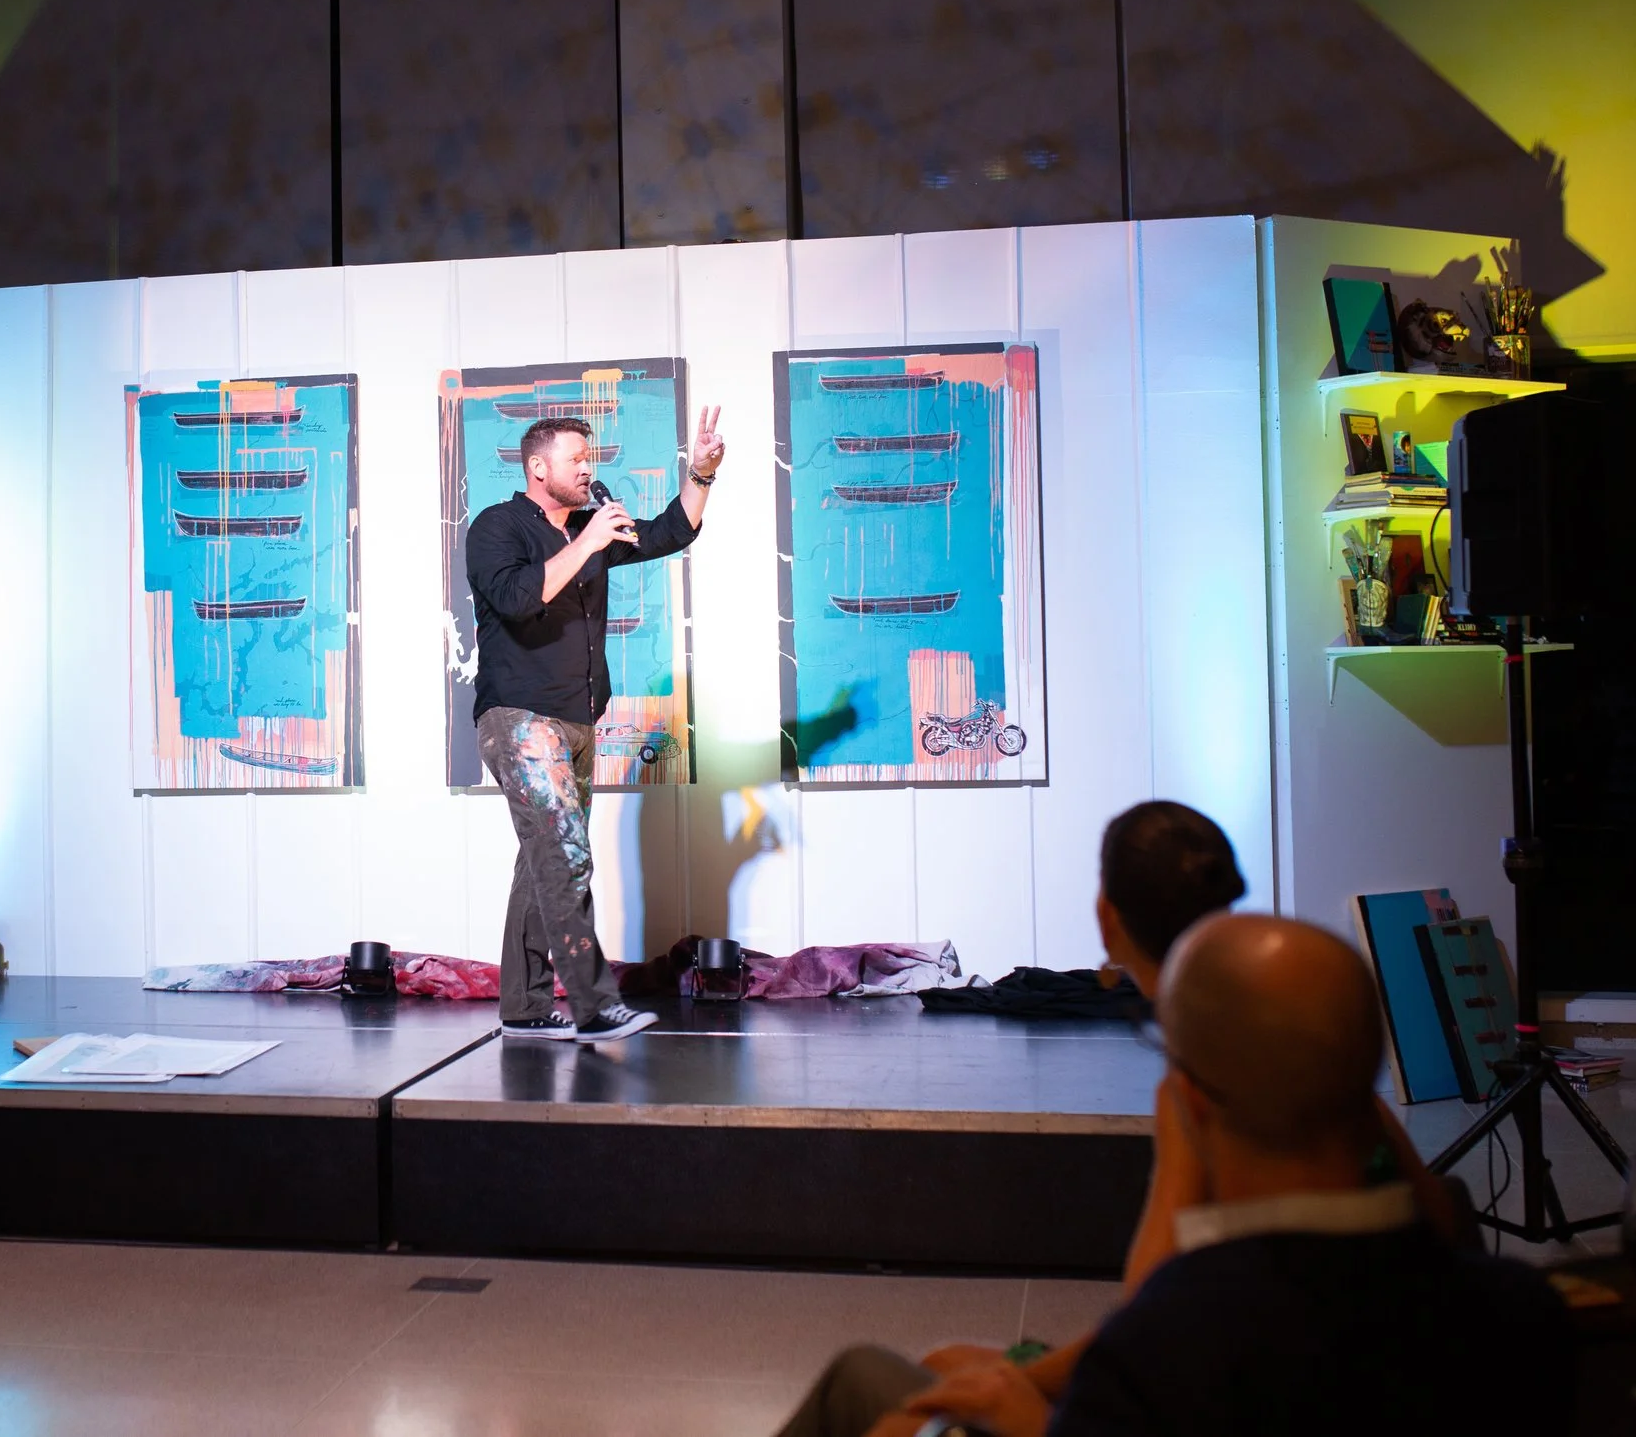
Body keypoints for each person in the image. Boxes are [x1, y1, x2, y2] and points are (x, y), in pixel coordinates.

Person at [774, 801, 1454, 1437]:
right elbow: (1444, 1225)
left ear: (1108, 915)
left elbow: (1150, 1330)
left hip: (1222, 1377)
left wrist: (1022, 1386)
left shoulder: (1196, 1091)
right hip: (1324, 1355)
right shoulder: (1304, 1046)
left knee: (865, 1379)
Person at [893, 915, 1573, 1437]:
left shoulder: (1176, 1339)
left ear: (1191, 1103)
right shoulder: (1525, 1312)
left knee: (882, 1394)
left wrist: (1033, 1419)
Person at [465, 406, 725, 1042]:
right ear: (537, 467)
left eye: (591, 458)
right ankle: (594, 1004)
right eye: (576, 459)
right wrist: (588, 541)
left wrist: (701, 473)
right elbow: (520, 599)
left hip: (578, 720)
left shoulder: (591, 527)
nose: (588, 468)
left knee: (543, 860)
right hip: (519, 718)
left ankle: (524, 1009)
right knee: (566, 853)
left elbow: (671, 532)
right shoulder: (497, 527)